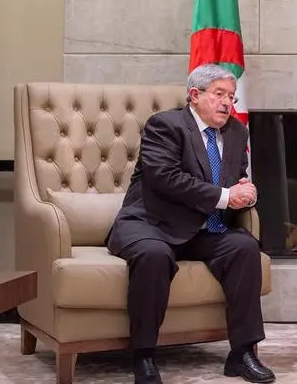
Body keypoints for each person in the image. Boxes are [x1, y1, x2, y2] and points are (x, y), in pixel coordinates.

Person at [105, 64, 275, 384]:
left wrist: (246, 192)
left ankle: (243, 353)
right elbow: (165, 178)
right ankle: (144, 356)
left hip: (204, 229)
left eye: (232, 96)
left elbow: (236, 178)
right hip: (151, 224)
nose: (227, 103)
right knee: (153, 255)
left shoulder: (237, 132)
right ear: (195, 95)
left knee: (244, 247)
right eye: (220, 94)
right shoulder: (165, 125)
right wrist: (227, 196)